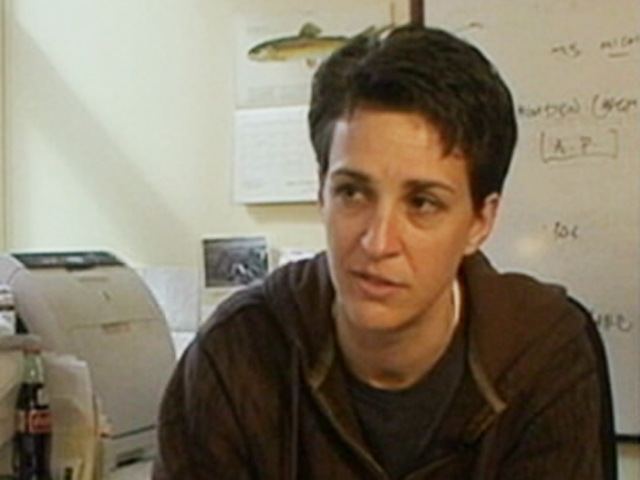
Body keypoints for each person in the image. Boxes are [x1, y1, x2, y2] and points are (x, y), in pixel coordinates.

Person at [152, 24, 617, 479]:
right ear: (321, 194)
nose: (377, 243)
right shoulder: (236, 353)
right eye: (352, 193)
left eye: (422, 203)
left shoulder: (543, 351)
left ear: (480, 221)